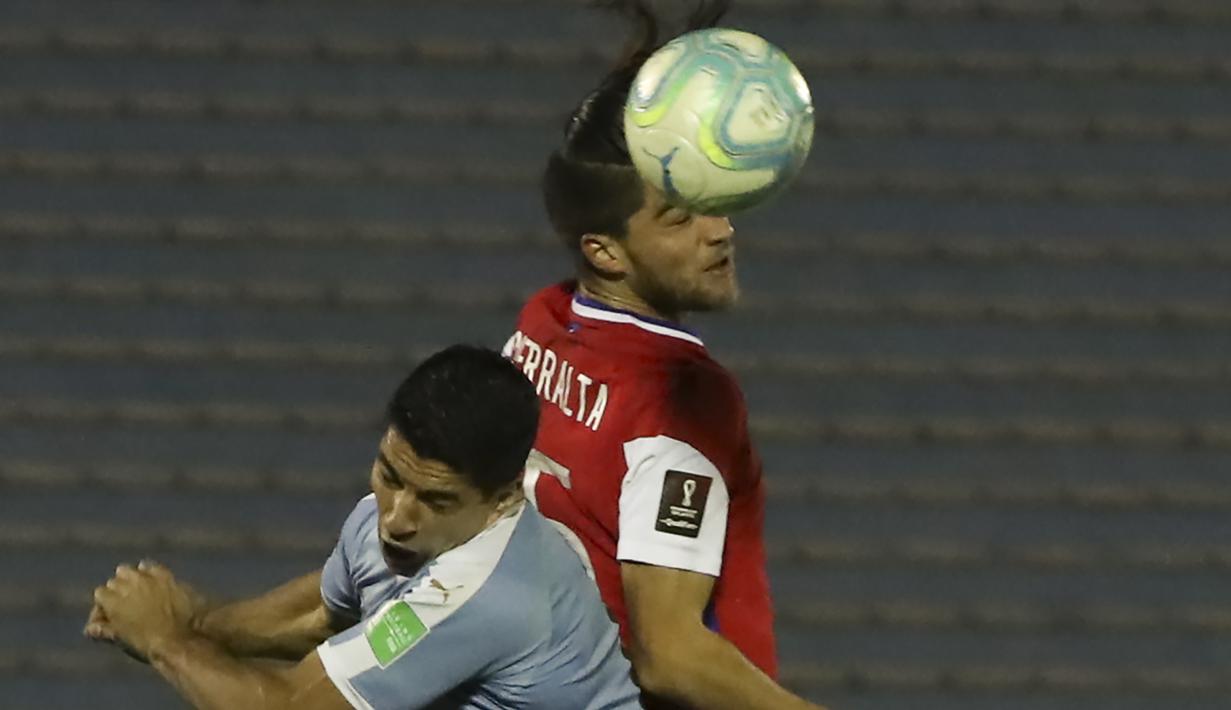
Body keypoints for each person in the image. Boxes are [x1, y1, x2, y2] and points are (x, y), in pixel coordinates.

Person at [502, 2, 827, 709]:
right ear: (603, 249)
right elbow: (669, 654)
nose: (719, 231)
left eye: (711, 199)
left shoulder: (543, 325)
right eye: (679, 218)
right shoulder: (679, 399)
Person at [85, 345, 643, 710]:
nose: (397, 518)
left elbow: (292, 707)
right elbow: (325, 614)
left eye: (437, 500)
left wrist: (165, 640)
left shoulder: (490, 595)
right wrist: (199, 622)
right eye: (389, 474)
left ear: (502, 497)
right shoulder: (393, 526)